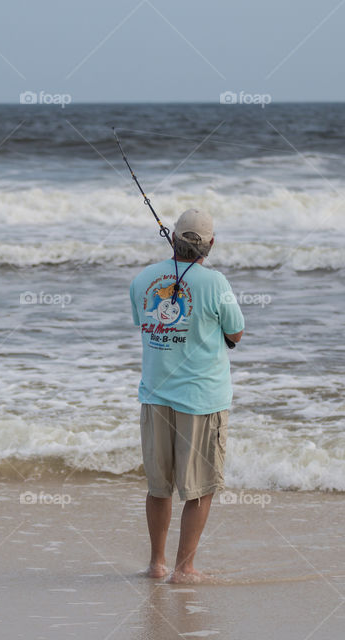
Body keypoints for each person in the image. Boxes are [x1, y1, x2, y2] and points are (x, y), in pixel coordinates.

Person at [129, 208, 245, 584]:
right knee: (200, 489)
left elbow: (145, 323)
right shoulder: (216, 283)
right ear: (210, 244)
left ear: (173, 237)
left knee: (158, 488)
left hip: (155, 397)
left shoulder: (143, 280)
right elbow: (236, 333)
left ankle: (156, 563)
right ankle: (184, 569)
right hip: (201, 400)